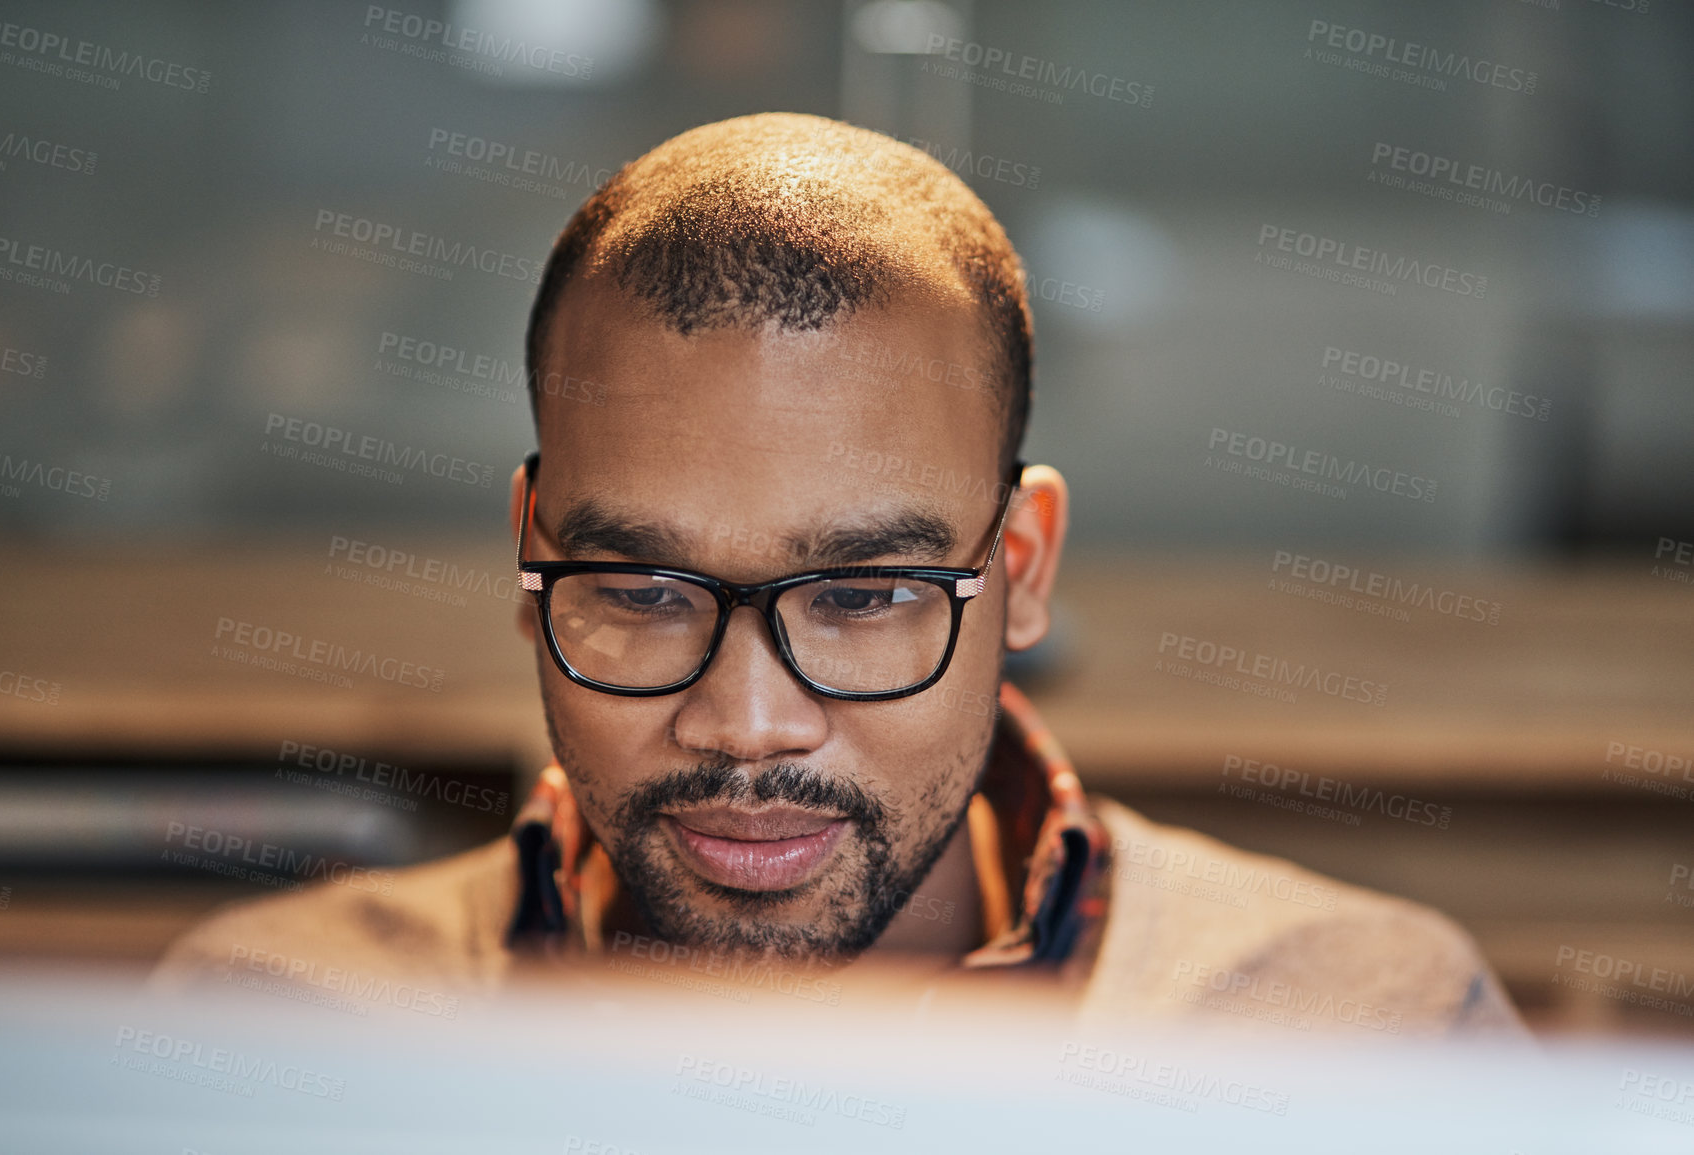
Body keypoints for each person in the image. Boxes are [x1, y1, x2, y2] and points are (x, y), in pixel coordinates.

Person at [153, 112, 1522, 1036]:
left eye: (864, 597)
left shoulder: (1361, 1025)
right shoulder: (278, 1030)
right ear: (531, 554)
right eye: (641, 590)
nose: (748, 726)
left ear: (1023, 568)